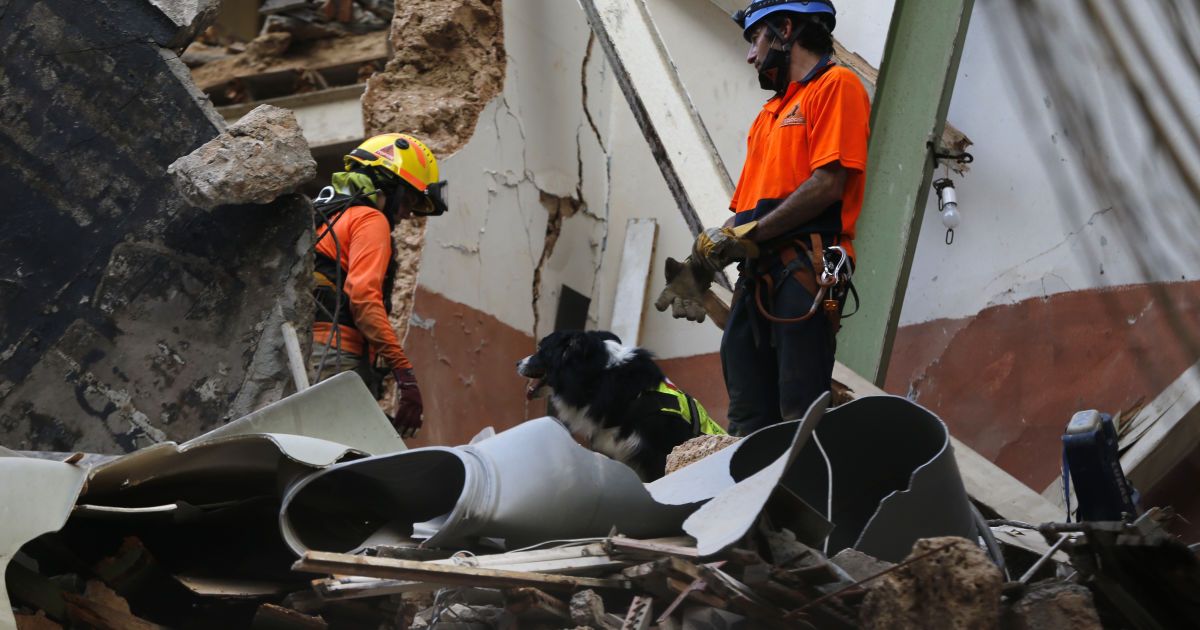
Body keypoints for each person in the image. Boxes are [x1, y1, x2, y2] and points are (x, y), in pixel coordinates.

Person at [692, 1, 870, 436]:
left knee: (799, 407)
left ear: (786, 28)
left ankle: (808, 476)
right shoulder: (768, 116)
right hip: (758, 272)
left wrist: (749, 235)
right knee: (746, 415)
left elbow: (827, 185)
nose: (751, 55)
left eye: (755, 38)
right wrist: (697, 263)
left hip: (809, 263)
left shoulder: (836, 85)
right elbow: (745, 211)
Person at [309, 133, 448, 438]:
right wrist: (404, 373)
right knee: (356, 456)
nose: (408, 213)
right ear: (389, 186)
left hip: (307, 353)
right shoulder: (370, 220)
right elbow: (363, 298)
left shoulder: (328, 215)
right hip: (335, 358)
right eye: (409, 200)